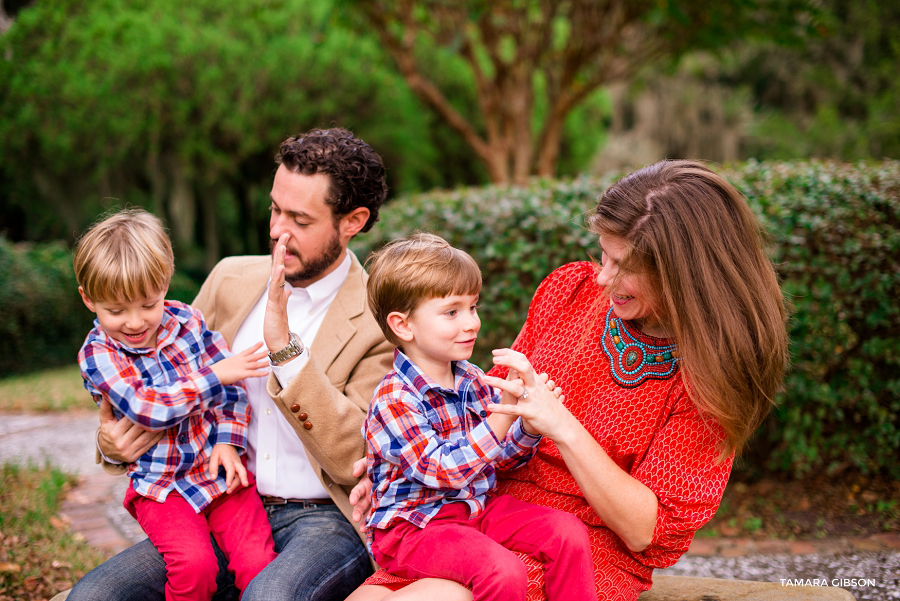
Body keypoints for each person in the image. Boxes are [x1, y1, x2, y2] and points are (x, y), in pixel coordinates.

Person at [345, 160, 789, 601]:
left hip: (586, 548)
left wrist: (561, 426)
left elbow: (644, 533)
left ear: (683, 275)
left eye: (625, 266)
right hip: (476, 511)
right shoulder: (569, 292)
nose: (603, 277)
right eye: (604, 254)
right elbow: (481, 418)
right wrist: (397, 466)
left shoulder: (709, 379)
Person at [66, 128, 395, 601]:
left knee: (267, 597)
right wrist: (112, 444)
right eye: (274, 210)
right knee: (93, 597)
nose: (278, 231)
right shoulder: (230, 278)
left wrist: (286, 352)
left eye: (299, 219)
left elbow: (357, 458)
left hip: (323, 519)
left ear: (353, 221)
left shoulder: (380, 318)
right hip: (214, 494)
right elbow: (158, 379)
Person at [363, 234, 595, 601]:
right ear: (403, 325)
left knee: (568, 533)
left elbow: (498, 459)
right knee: (501, 571)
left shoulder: (471, 378)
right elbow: (442, 471)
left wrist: (527, 428)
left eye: (473, 307)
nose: (472, 322)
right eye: (452, 312)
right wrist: (500, 419)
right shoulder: (394, 397)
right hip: (413, 530)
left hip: (475, 509)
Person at [74, 208, 277, 601]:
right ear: (88, 299)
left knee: (258, 564)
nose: (135, 322)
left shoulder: (188, 321)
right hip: (162, 488)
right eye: (116, 310)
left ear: (165, 282)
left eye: (148, 304)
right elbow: (146, 409)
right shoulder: (98, 354)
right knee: (195, 566)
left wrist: (228, 441)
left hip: (220, 475)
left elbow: (232, 392)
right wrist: (215, 374)